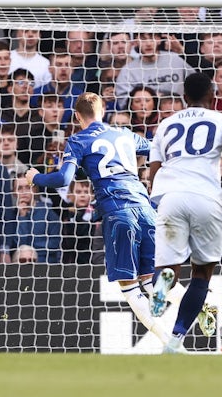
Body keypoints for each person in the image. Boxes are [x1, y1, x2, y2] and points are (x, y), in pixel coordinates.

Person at [25, 92, 171, 346]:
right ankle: (199, 304)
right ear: (103, 110)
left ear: (78, 116)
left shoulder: (78, 140)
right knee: (150, 279)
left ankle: (171, 342)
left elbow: (62, 179)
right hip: (146, 209)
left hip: (118, 211)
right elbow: (156, 148)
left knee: (130, 286)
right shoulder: (124, 134)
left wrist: (35, 177)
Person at [147, 73, 222, 353]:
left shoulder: (165, 124)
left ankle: (163, 284)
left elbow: (155, 168)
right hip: (206, 197)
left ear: (183, 98)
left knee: (168, 269)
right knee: (202, 274)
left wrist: (159, 199)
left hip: (171, 197)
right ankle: (176, 339)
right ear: (213, 96)